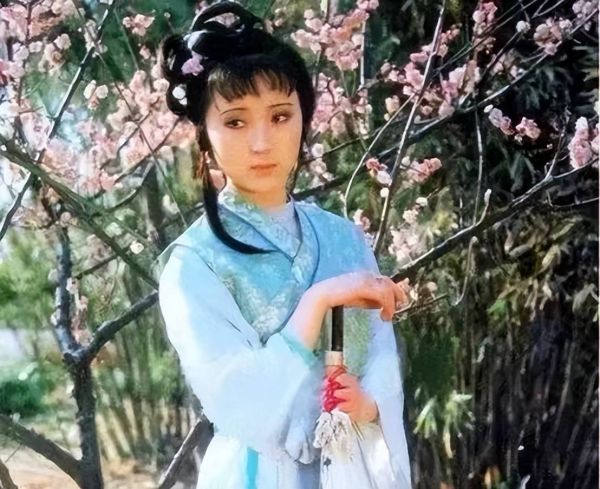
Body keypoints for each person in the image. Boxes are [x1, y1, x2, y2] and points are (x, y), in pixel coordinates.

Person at [155, 2, 411, 488]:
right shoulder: (193, 265)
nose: (261, 142)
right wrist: (316, 303)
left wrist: (370, 404)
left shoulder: (344, 238)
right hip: (257, 473)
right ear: (205, 136)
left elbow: (381, 355)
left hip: (352, 466)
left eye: (280, 116)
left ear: (303, 120)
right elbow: (237, 401)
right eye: (235, 122)